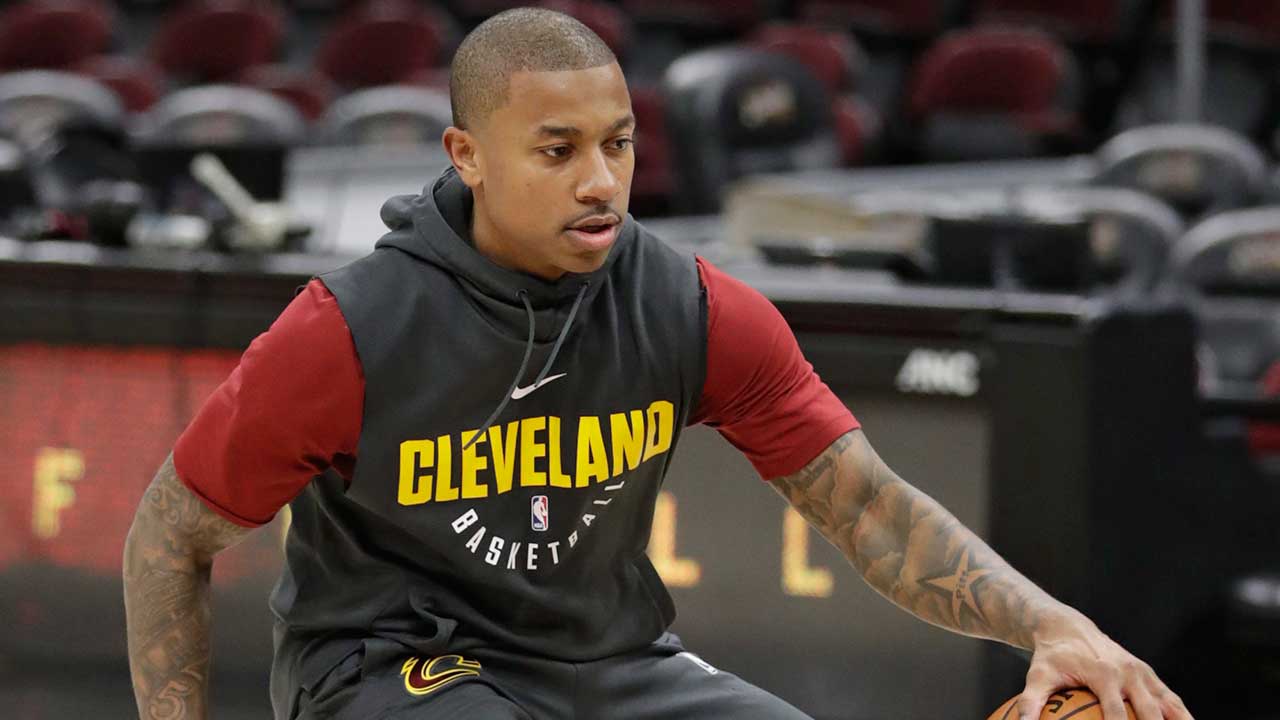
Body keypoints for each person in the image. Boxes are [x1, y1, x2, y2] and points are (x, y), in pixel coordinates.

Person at [123, 8, 1193, 720]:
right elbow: (169, 536)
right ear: (467, 156)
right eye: (558, 150)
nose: (601, 180)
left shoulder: (687, 305)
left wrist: (1050, 623)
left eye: (619, 143)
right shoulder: (348, 330)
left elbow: (866, 509)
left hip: (605, 668)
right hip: (391, 671)